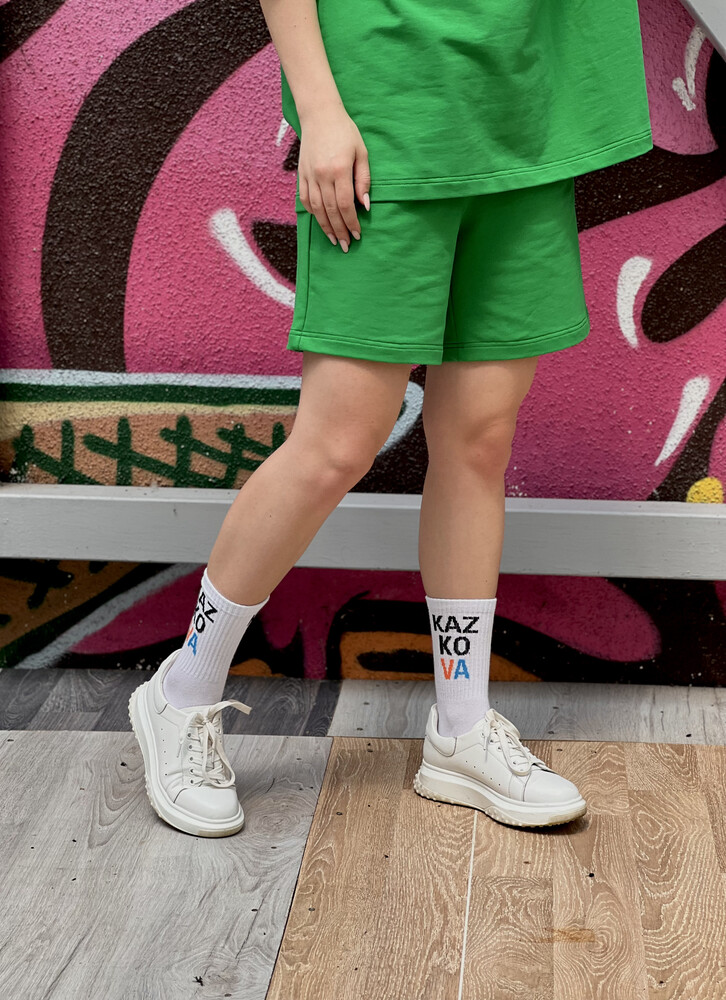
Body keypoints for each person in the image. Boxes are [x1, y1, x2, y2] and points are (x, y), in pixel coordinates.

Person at [129, 0, 653, 837]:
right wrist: (321, 109)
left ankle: (460, 727)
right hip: (384, 119)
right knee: (337, 442)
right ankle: (181, 691)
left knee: (479, 441)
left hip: (525, 119)